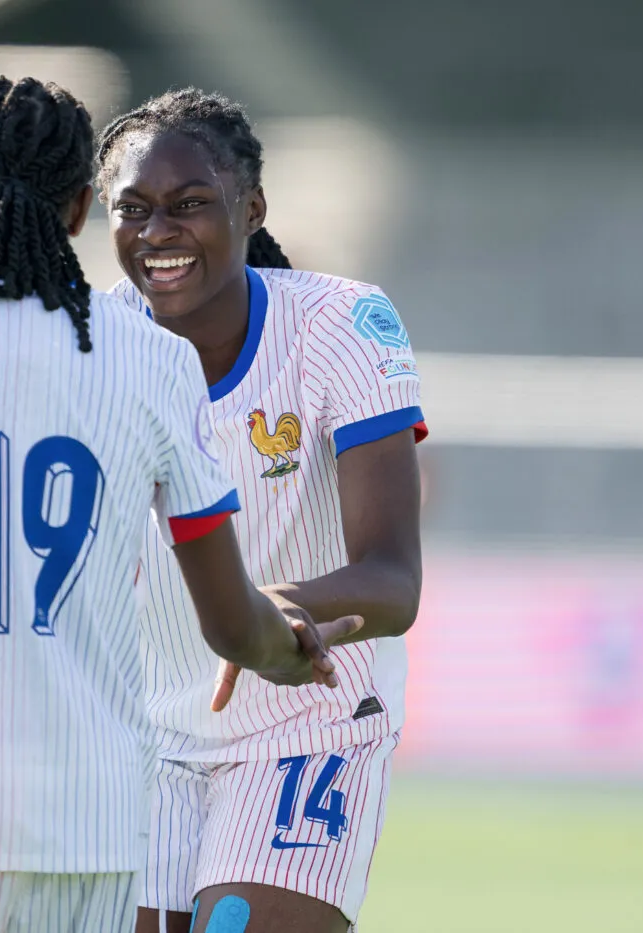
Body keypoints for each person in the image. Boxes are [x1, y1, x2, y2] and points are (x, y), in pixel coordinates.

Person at [0, 76, 358, 933]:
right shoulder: (152, 357)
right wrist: (289, 648)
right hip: (87, 833)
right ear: (83, 208)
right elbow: (230, 624)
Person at [95, 88, 427, 933]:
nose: (158, 232)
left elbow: (393, 582)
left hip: (310, 722)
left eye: (190, 205)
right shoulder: (93, 344)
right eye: (132, 209)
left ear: (252, 208)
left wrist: (267, 616)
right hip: (143, 739)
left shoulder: (341, 322)